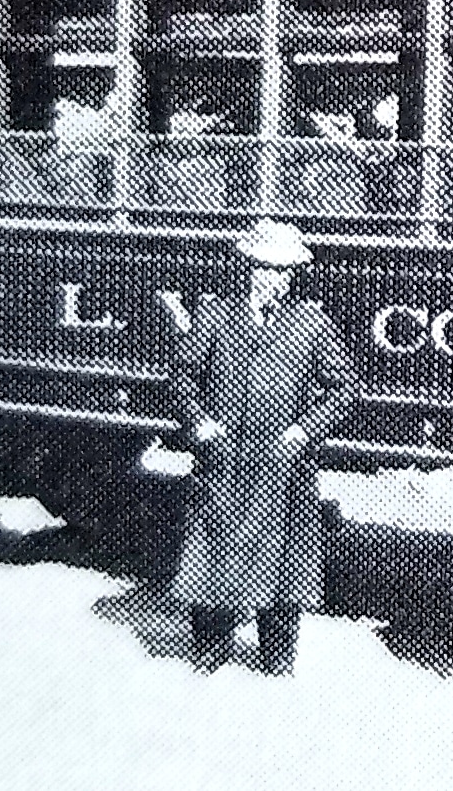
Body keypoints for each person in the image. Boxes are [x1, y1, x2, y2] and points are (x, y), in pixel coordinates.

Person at [169, 219, 356, 674]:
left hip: (282, 464)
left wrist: (303, 432)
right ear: (246, 267)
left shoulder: (311, 322)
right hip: (226, 460)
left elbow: (346, 387)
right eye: (263, 268)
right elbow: (180, 377)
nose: (272, 278)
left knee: (286, 563)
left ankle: (276, 659)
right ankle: (209, 653)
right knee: (215, 551)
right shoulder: (215, 316)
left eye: (282, 270)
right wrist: (201, 424)